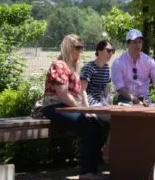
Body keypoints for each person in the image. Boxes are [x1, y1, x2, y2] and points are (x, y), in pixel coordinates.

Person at [38, 34, 105, 180]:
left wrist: (87, 110)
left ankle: (92, 171)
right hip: (54, 106)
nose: (80, 51)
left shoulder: (73, 67)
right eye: (77, 47)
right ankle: (86, 173)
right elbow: (62, 94)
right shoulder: (59, 65)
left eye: (82, 48)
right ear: (68, 47)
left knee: (97, 126)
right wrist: (81, 109)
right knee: (89, 127)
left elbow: (81, 93)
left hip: (67, 105)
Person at [111, 29, 155, 104]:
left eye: (140, 42)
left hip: (145, 99)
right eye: (134, 42)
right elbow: (119, 88)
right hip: (125, 99)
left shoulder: (149, 61)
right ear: (127, 44)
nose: (137, 45)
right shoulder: (118, 62)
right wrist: (134, 99)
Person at [80, 40, 115, 105]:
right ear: (99, 51)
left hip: (101, 100)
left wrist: (109, 102)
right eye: (108, 50)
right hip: (90, 100)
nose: (111, 53)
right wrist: (86, 108)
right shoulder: (89, 67)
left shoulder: (106, 68)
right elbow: (82, 90)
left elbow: (106, 89)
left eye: (112, 51)